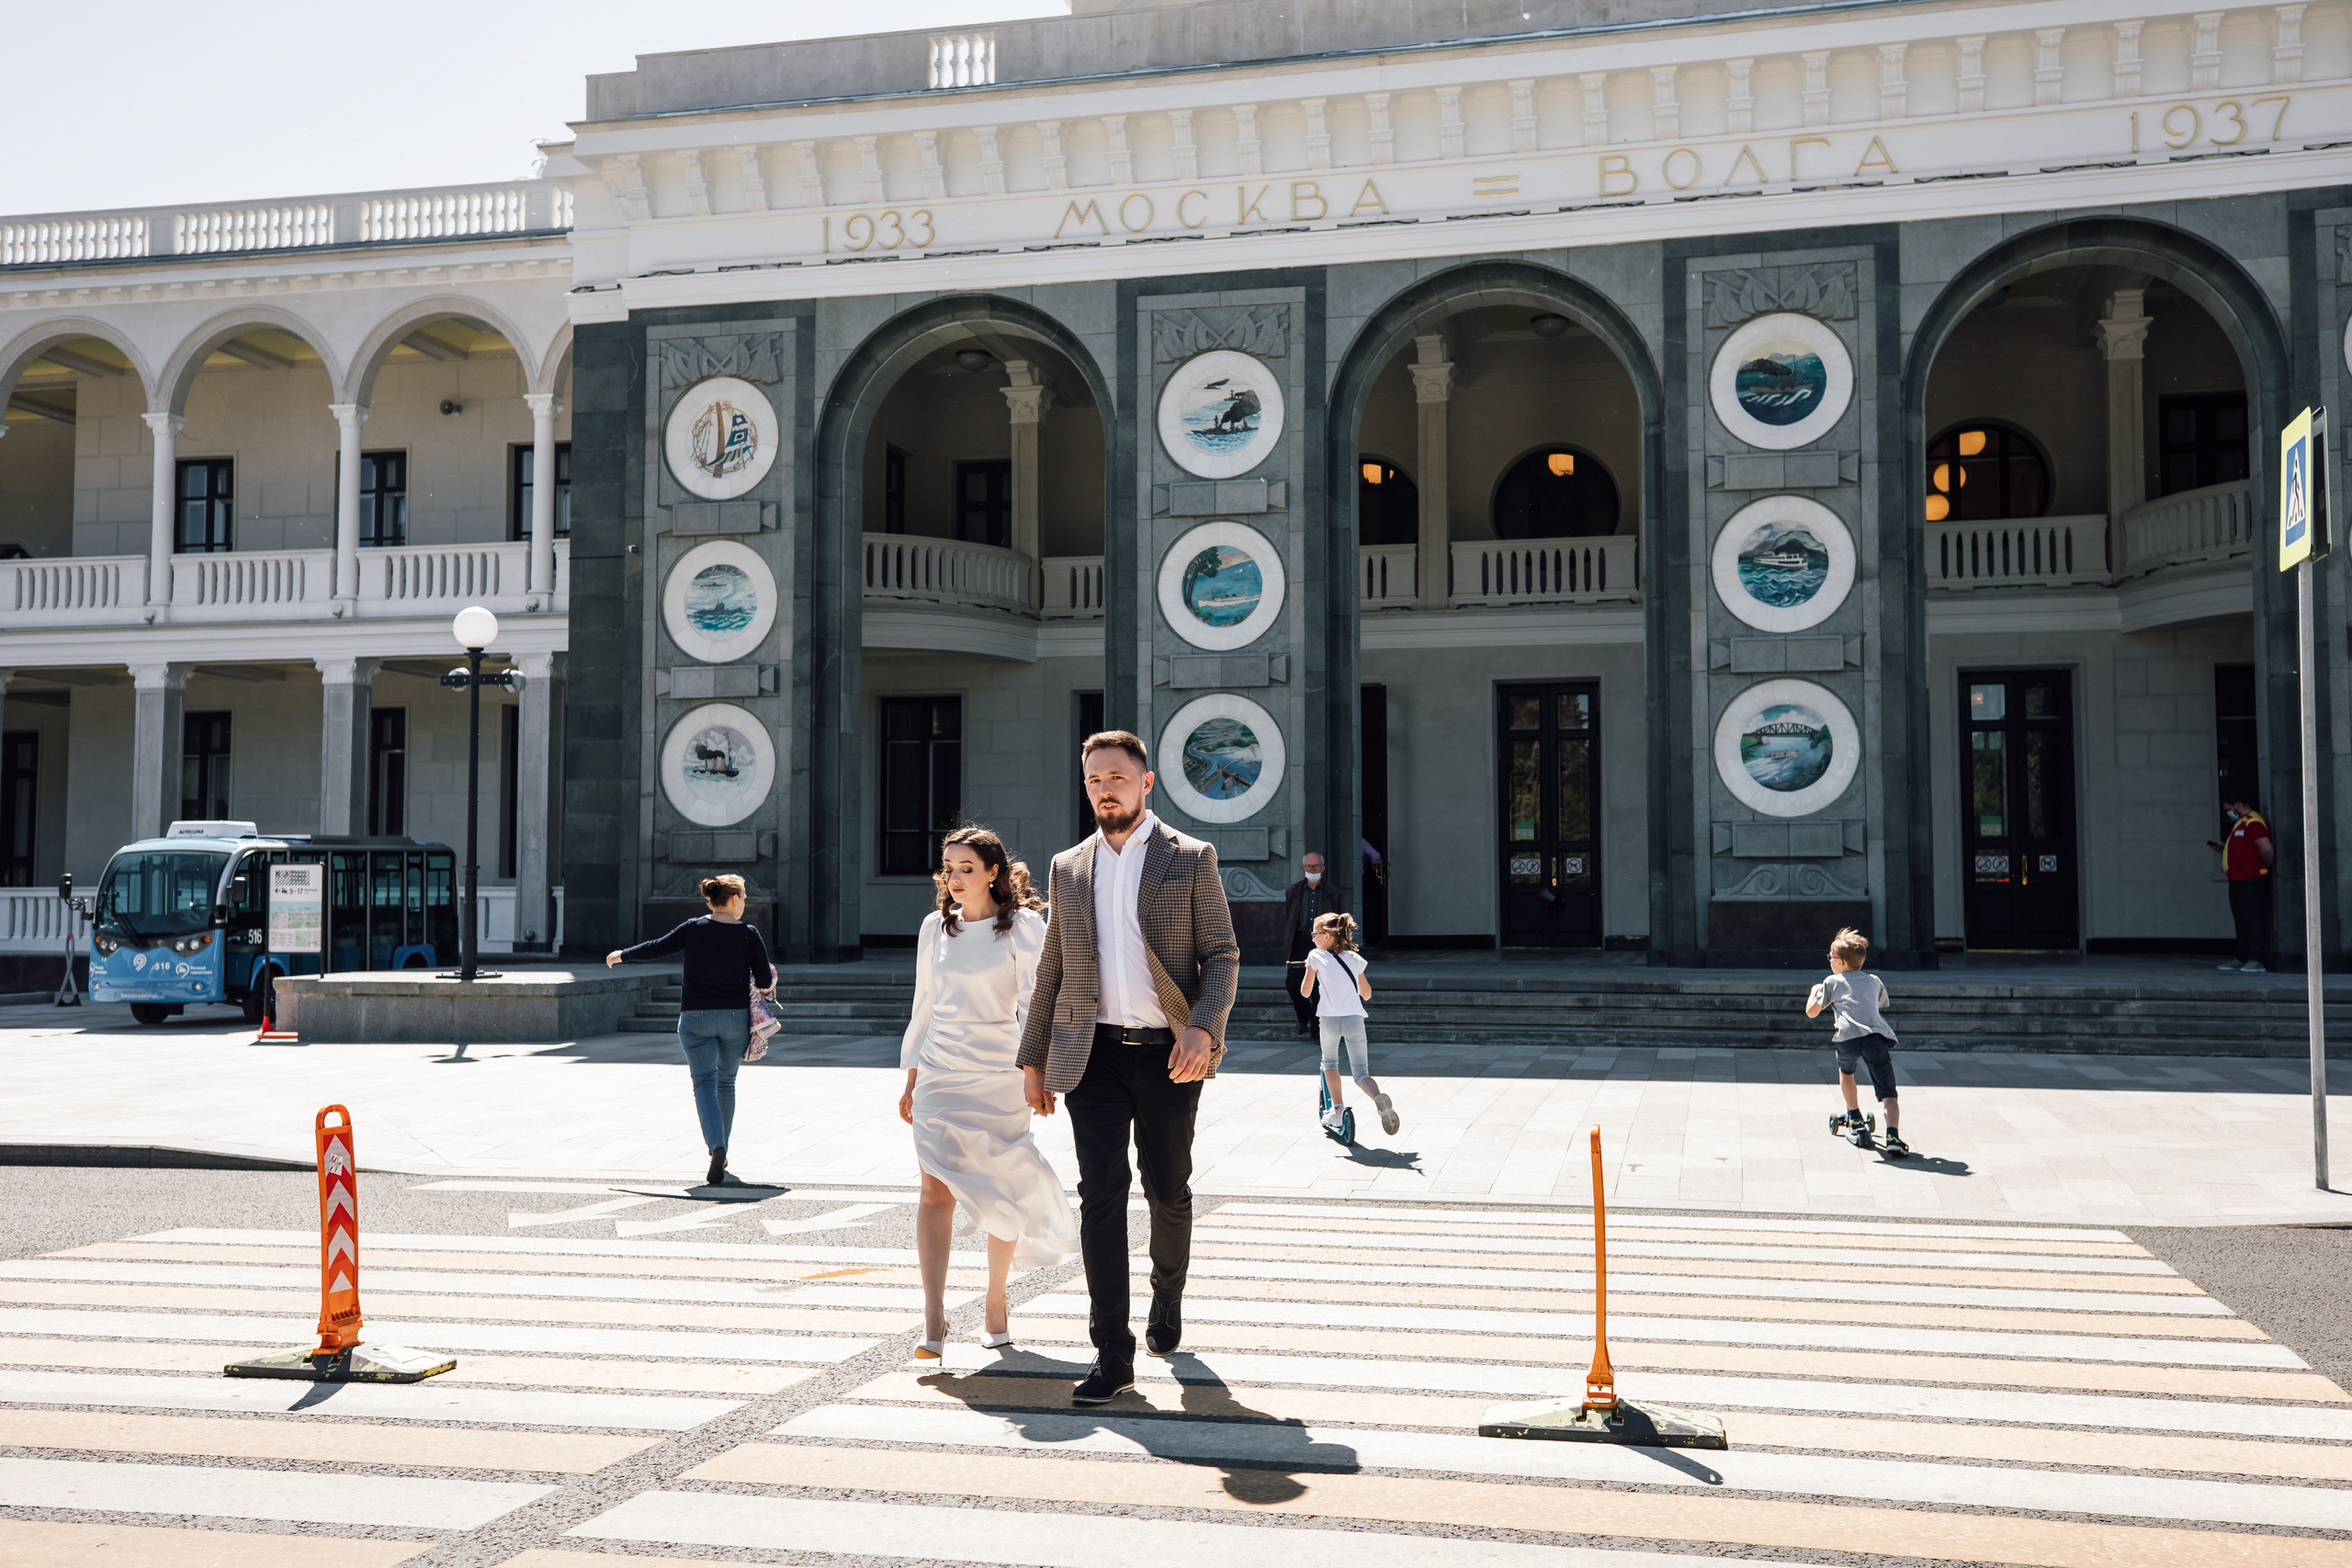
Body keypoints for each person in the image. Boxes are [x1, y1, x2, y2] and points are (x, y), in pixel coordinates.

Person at [1018, 729, 1238, 1405]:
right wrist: (1033, 1059)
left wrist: (1203, 1027)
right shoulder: (1068, 866)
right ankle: (1111, 1350)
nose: (1104, 787)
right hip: (1094, 1055)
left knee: (1168, 1187)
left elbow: (1223, 955)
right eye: (1093, 779)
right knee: (1101, 1195)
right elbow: (1052, 966)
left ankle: (1167, 1295)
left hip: (1171, 1052)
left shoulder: (1190, 858)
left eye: (1116, 776)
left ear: (1146, 783)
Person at [897, 826, 1078, 1359]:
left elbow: (1035, 1002)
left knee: (1001, 1188)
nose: (954, 879)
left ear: (994, 872)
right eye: (948, 868)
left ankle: (995, 1303)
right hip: (939, 1075)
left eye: (966, 868)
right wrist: (911, 1077)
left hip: (998, 1078)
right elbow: (922, 1004)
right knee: (934, 1191)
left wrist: (1036, 1070)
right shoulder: (935, 927)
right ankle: (933, 1317)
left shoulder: (1023, 926)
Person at [606, 874, 775, 1186]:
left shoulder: (693, 928)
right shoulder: (750, 934)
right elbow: (764, 981)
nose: (745, 903)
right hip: (735, 1019)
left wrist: (623, 955)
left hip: (694, 1019)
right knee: (726, 1082)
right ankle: (723, 1149)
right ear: (735, 900)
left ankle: (716, 1147)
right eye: (745, 897)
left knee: (704, 1083)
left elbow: (657, 947)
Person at [1804, 926, 1906, 1157]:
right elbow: (1876, 1004)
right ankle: (1893, 1136)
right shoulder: (1874, 980)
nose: (1829, 961)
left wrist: (1814, 991)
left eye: (1831, 957)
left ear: (1840, 962)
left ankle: (1856, 1116)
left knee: (1846, 1073)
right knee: (1889, 1092)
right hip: (1876, 1038)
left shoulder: (1831, 981)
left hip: (1848, 1038)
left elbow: (1812, 1012)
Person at [1299, 911, 1398, 1136]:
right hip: (1355, 1019)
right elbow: (1367, 994)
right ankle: (1378, 1098)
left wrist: (1309, 967)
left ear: (1327, 936)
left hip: (1330, 1020)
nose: (1312, 937)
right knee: (1361, 1073)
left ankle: (1336, 1109)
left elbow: (1305, 992)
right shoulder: (1355, 959)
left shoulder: (1315, 955)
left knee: (1331, 1063)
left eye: (1315, 933)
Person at [2209, 798, 2275, 973]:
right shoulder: (2241, 824)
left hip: (2250, 880)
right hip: (2238, 879)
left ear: (2237, 805)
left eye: (2229, 809)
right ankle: (2242, 956)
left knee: (2252, 920)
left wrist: (2258, 869)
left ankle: (2256, 959)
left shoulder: (2254, 823)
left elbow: (2266, 850)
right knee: (2241, 920)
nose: (2228, 813)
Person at [1281, 851, 1342, 1037]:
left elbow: (1338, 920)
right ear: (1303, 869)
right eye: (1309, 866)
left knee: (1319, 987)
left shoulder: (1333, 892)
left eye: (1316, 866)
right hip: (1299, 941)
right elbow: (1289, 917)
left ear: (1323, 868)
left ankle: (1317, 1031)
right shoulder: (1293, 891)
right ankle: (1303, 1016)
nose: (1312, 869)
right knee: (1293, 984)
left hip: (1323, 942)